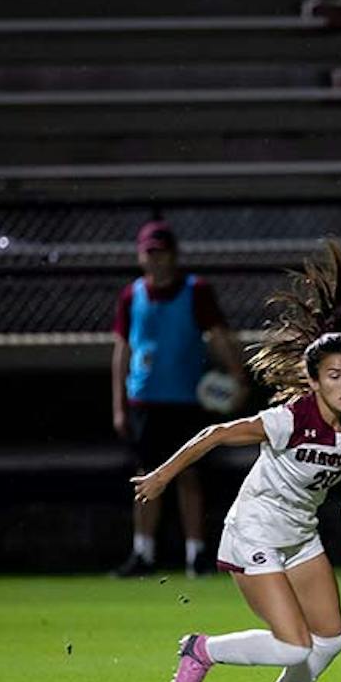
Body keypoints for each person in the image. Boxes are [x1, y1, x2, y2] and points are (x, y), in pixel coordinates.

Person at [130, 242, 341, 682]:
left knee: (332, 638)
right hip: (253, 530)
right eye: (335, 376)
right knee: (294, 645)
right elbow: (215, 433)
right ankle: (201, 650)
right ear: (313, 381)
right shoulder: (290, 419)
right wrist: (162, 475)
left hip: (300, 533)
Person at [112, 220, 247, 578]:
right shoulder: (132, 295)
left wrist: (237, 376)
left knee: (189, 474)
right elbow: (122, 350)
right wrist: (118, 404)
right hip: (144, 400)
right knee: (145, 475)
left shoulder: (195, 291)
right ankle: (142, 551)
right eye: (150, 253)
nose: (156, 260)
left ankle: (196, 553)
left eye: (162, 252)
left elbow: (218, 335)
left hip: (186, 399)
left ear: (173, 255)